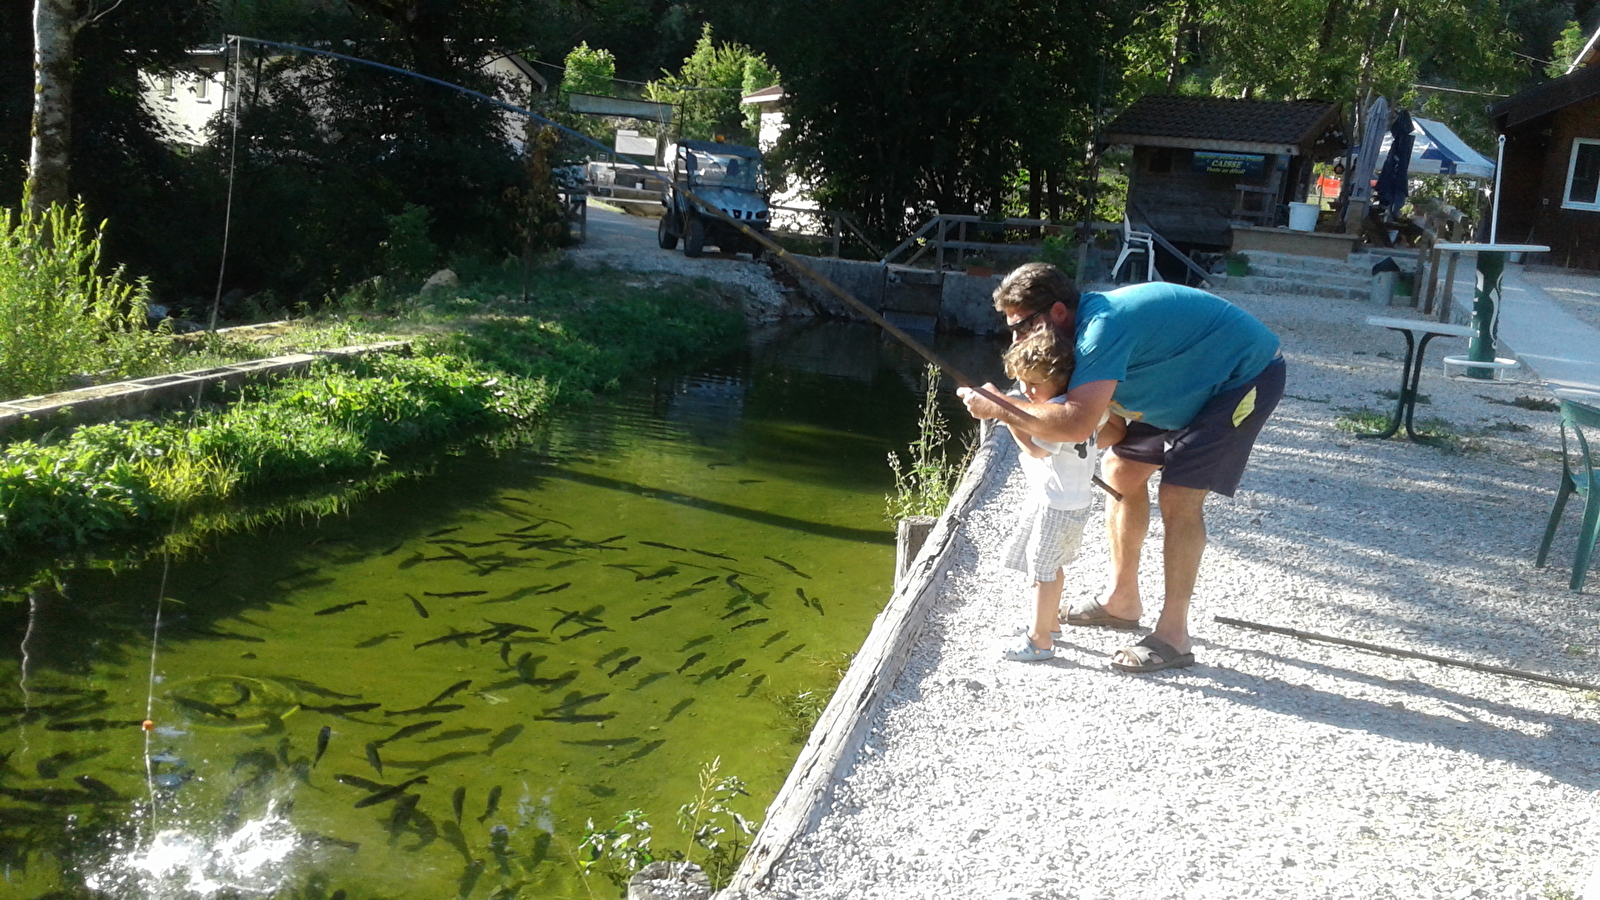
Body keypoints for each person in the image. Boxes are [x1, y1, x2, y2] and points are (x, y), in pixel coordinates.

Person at [959, 262, 1284, 673]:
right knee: (1122, 473)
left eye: (1022, 325)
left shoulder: (1102, 330)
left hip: (1243, 376)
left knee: (1179, 496)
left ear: (1057, 313)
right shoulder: (1075, 337)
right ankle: (1123, 600)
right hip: (1182, 379)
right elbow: (1104, 434)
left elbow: (1076, 423)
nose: (1017, 337)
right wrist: (1024, 413)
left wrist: (1002, 408)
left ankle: (1174, 637)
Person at [993, 326, 1123, 663]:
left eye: (1034, 384)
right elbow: (1112, 430)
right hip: (1071, 502)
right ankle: (1049, 624)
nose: (1026, 390)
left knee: (1041, 571)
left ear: (1059, 379)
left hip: (1056, 505)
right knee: (1054, 564)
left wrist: (1006, 416)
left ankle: (1039, 642)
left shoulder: (1056, 413)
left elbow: (1037, 450)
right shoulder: (1082, 407)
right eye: (1022, 383)